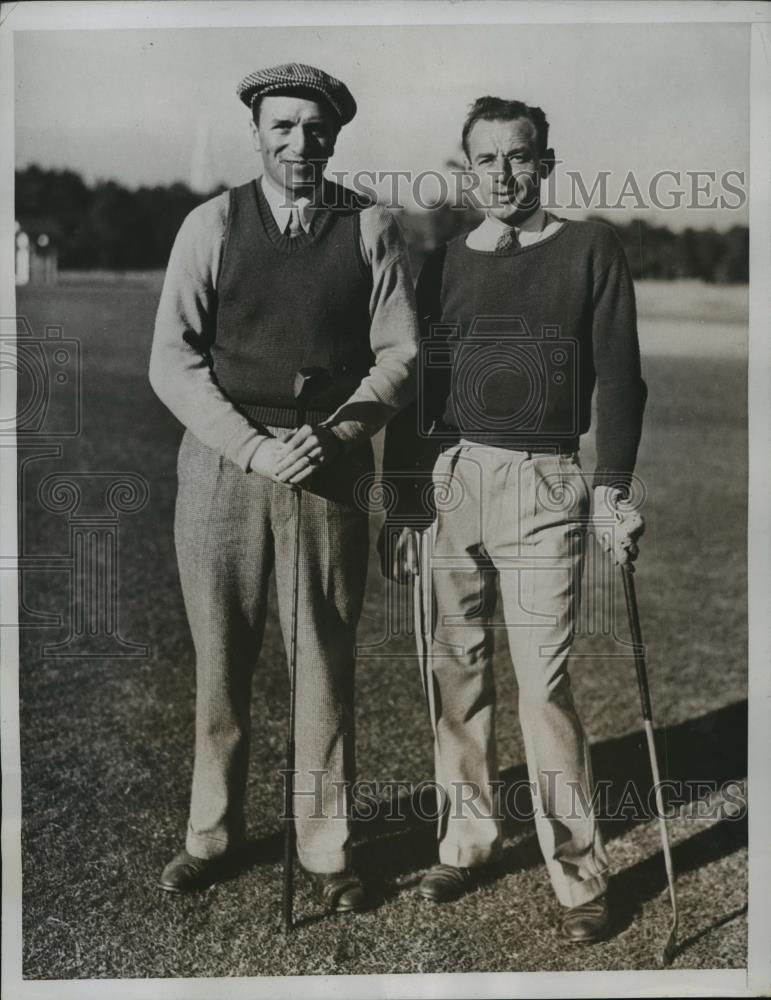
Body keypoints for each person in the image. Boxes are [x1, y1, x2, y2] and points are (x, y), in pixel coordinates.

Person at [150, 62, 419, 913]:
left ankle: (326, 848)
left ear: (335, 135)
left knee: (324, 663)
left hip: (330, 467)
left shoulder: (370, 225)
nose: (299, 143)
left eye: (315, 128)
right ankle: (210, 836)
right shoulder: (211, 223)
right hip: (224, 465)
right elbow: (173, 359)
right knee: (221, 662)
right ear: (257, 131)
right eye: (282, 126)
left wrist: (336, 433)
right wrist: (252, 447)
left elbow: (401, 354)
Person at [380, 96, 647, 942]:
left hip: (544, 483)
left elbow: (618, 377)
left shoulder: (590, 246)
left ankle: (577, 875)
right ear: (465, 169)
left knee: (543, 687)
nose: (501, 174)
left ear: (545, 161)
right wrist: (403, 498)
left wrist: (611, 488)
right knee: (454, 676)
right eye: (484, 160)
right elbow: (420, 387)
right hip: (452, 478)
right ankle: (466, 842)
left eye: (518, 157)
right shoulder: (443, 261)